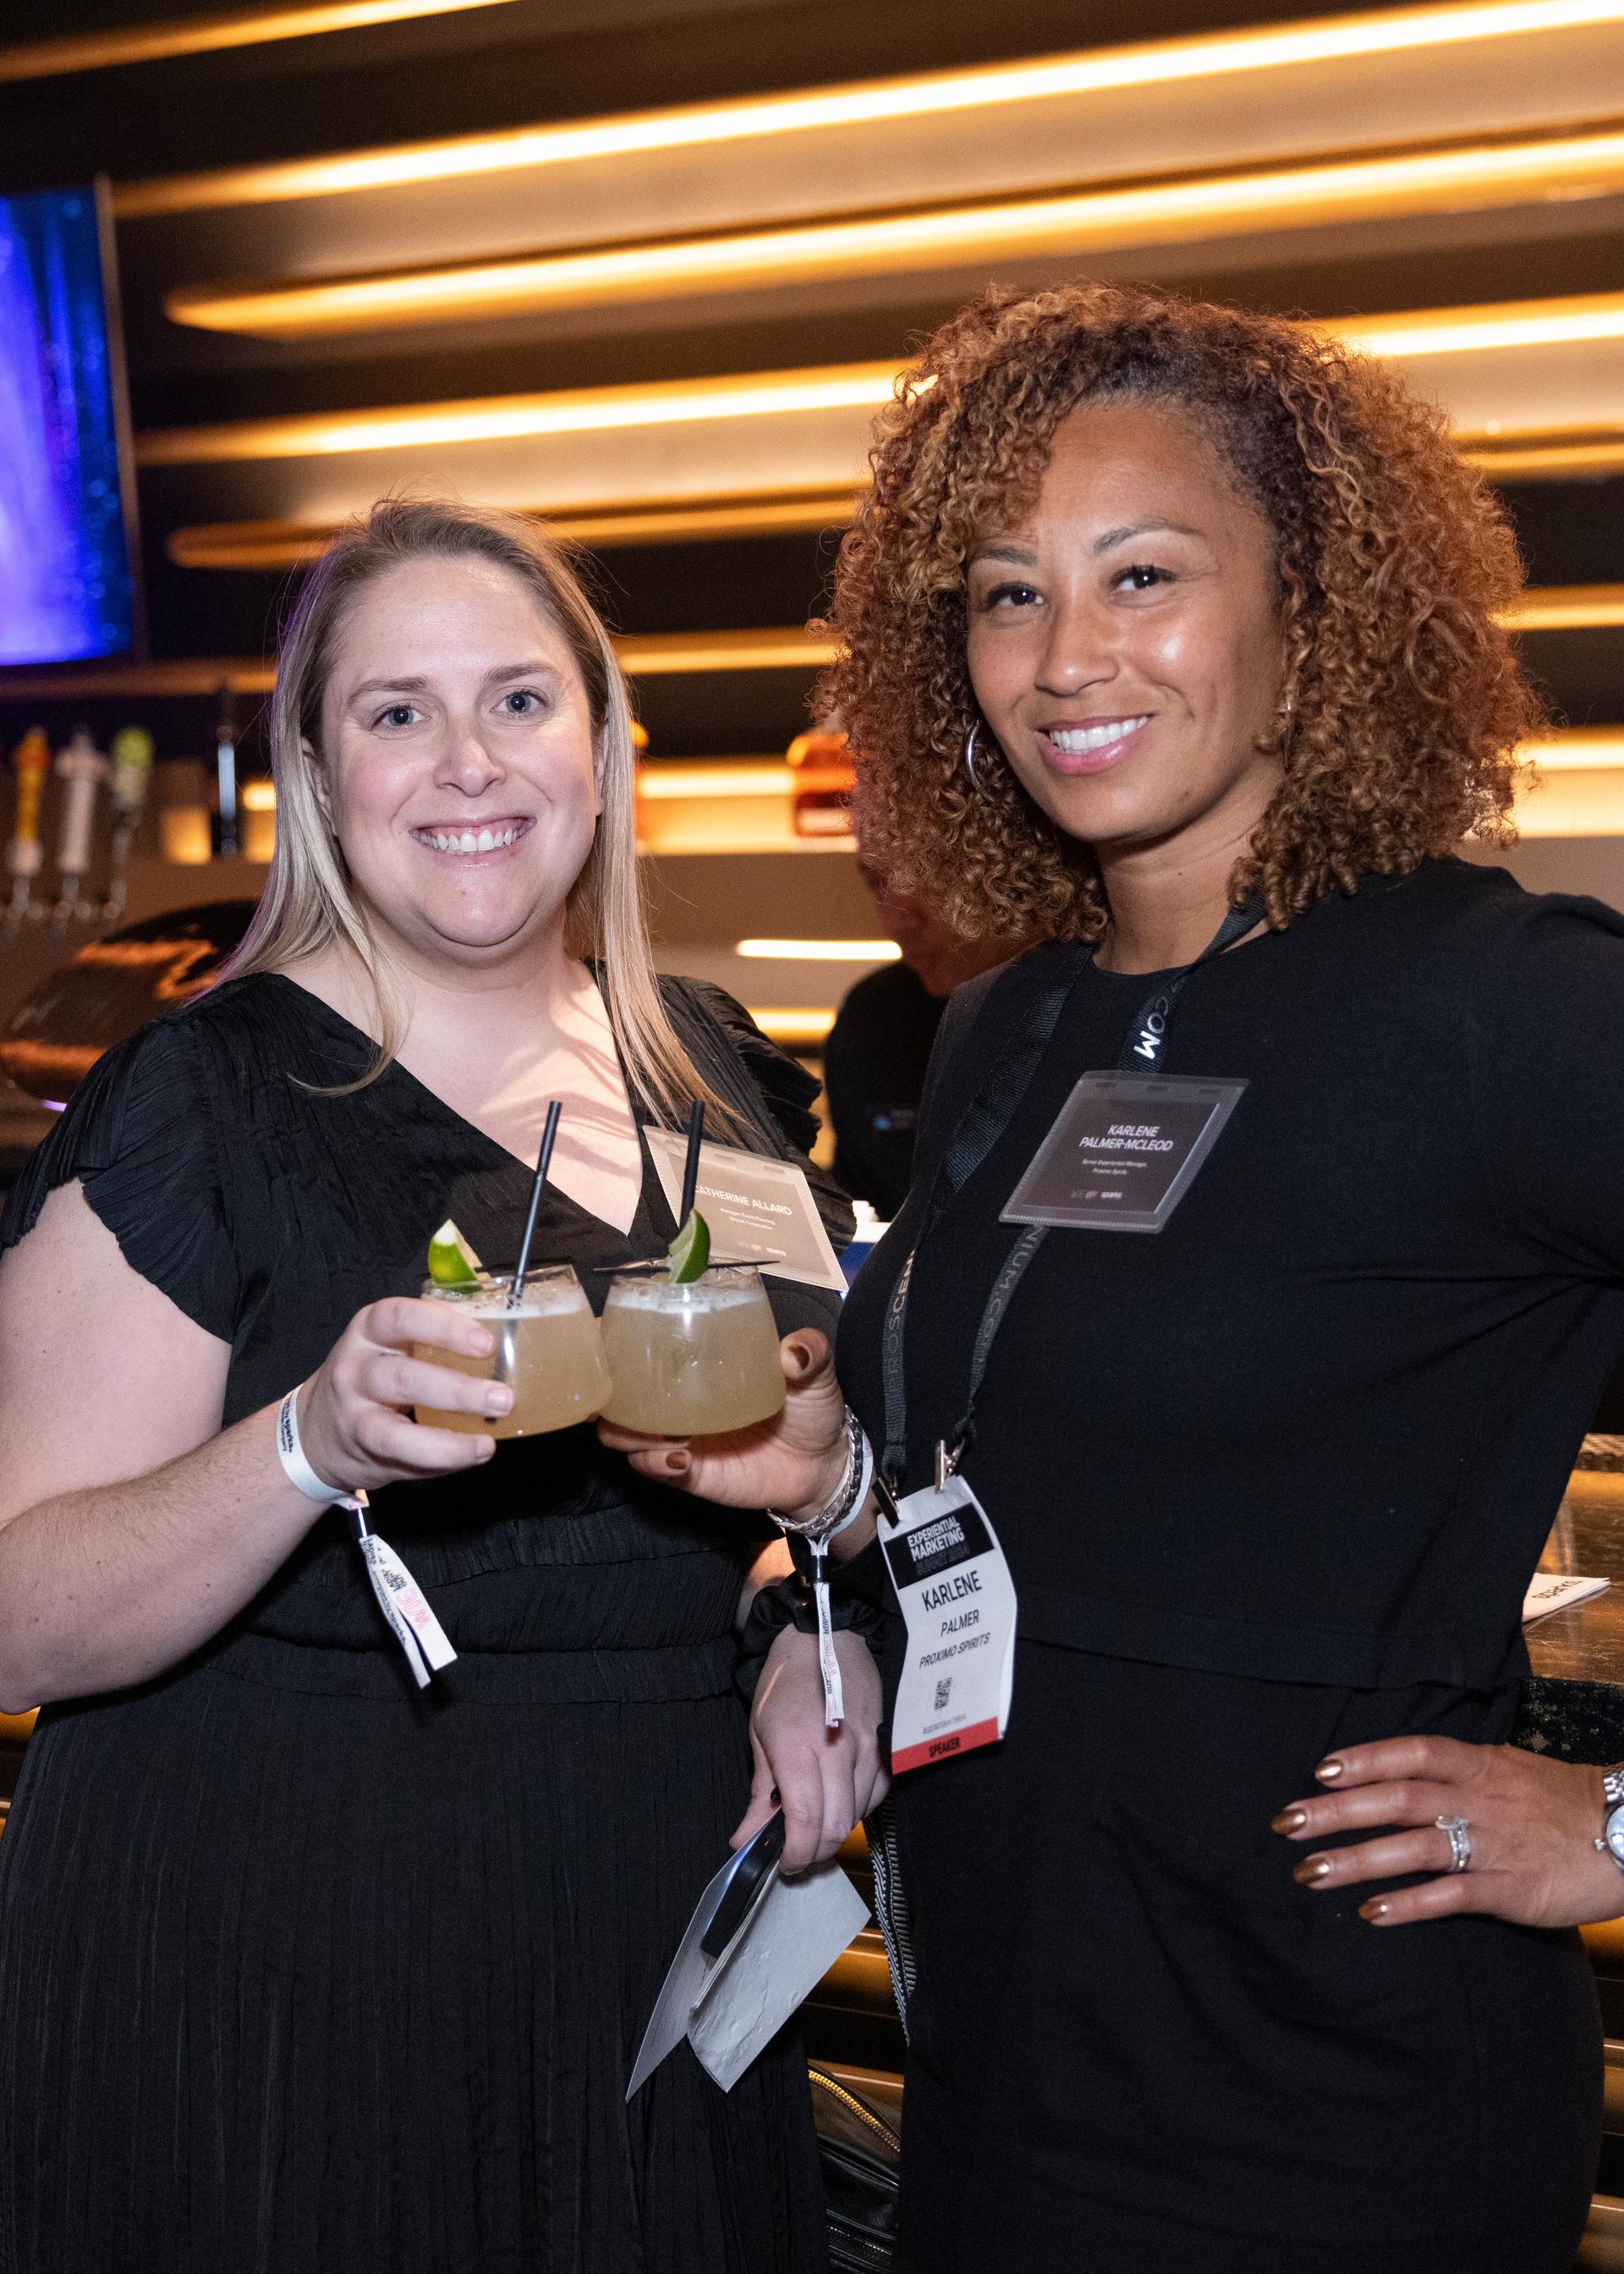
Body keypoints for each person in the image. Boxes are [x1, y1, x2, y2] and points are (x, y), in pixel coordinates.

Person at [603, 283, 1624, 2273]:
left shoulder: (1503, 1010)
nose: (1068, 656)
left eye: (1142, 574)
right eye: (1003, 593)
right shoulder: (1011, 1031)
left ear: (1308, 613)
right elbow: (1008, 1495)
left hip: (1330, 2121)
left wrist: (1609, 1829)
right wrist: (820, 1560)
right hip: (995, 2072)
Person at [0, 498, 885, 2274]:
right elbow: (18, 1617)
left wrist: (805, 1609)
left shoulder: (715, 1072)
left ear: (605, 743)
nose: (466, 762)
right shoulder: (210, 1097)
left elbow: (777, 1466)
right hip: (279, 1938)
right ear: (318, 776)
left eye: (518, 701)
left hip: (644, 1912)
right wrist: (305, 1447)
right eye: (396, 712)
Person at [823, 836, 1024, 1220]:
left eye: (926, 874)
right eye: (876, 880)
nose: (895, 921)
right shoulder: (874, 1017)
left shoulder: (1100, 1010)